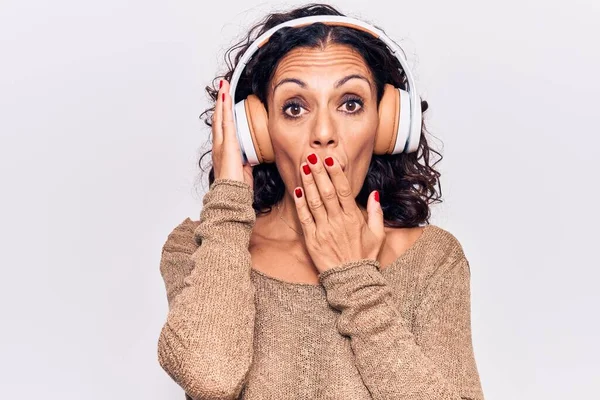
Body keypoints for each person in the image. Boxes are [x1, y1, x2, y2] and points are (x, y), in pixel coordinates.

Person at [157, 3, 485, 400]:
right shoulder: (197, 248)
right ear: (256, 134)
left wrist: (354, 280)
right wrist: (228, 206)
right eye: (295, 108)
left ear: (388, 125)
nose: (324, 133)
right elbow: (210, 378)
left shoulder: (433, 259)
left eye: (350, 103)